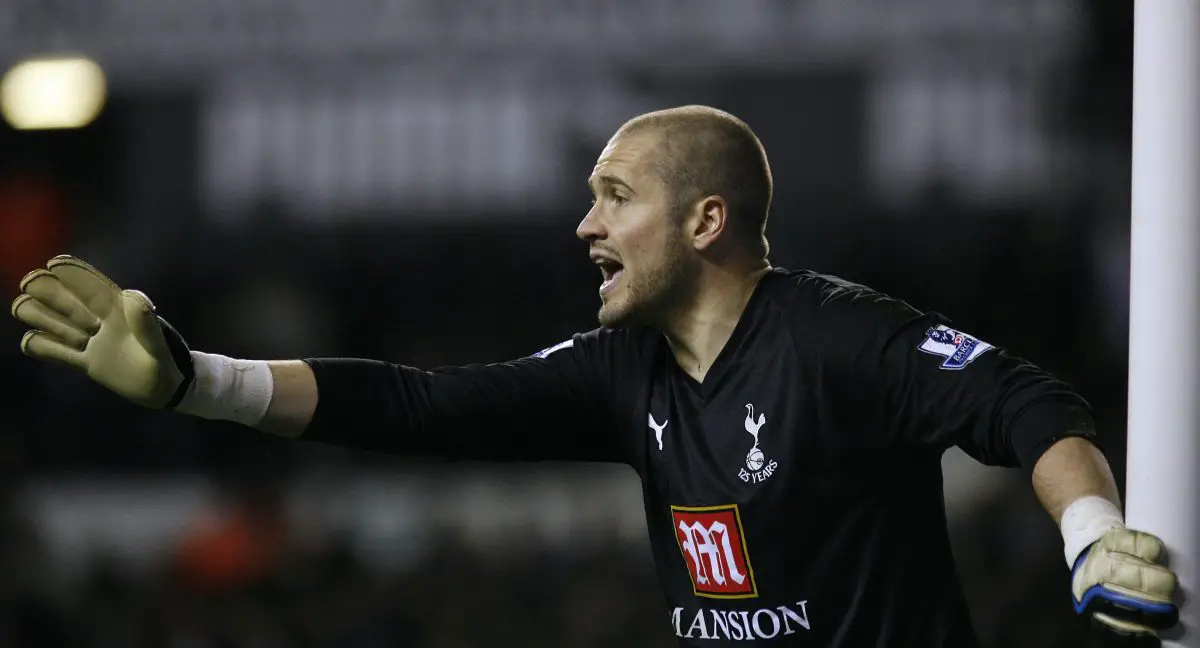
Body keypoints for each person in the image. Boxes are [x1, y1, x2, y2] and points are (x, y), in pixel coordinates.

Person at [10, 105, 1179, 646]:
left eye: (615, 195)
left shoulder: (838, 339)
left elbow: (1029, 403)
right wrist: (196, 381)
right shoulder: (624, 373)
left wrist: (1088, 532)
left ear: (709, 218)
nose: (585, 225)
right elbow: (422, 405)